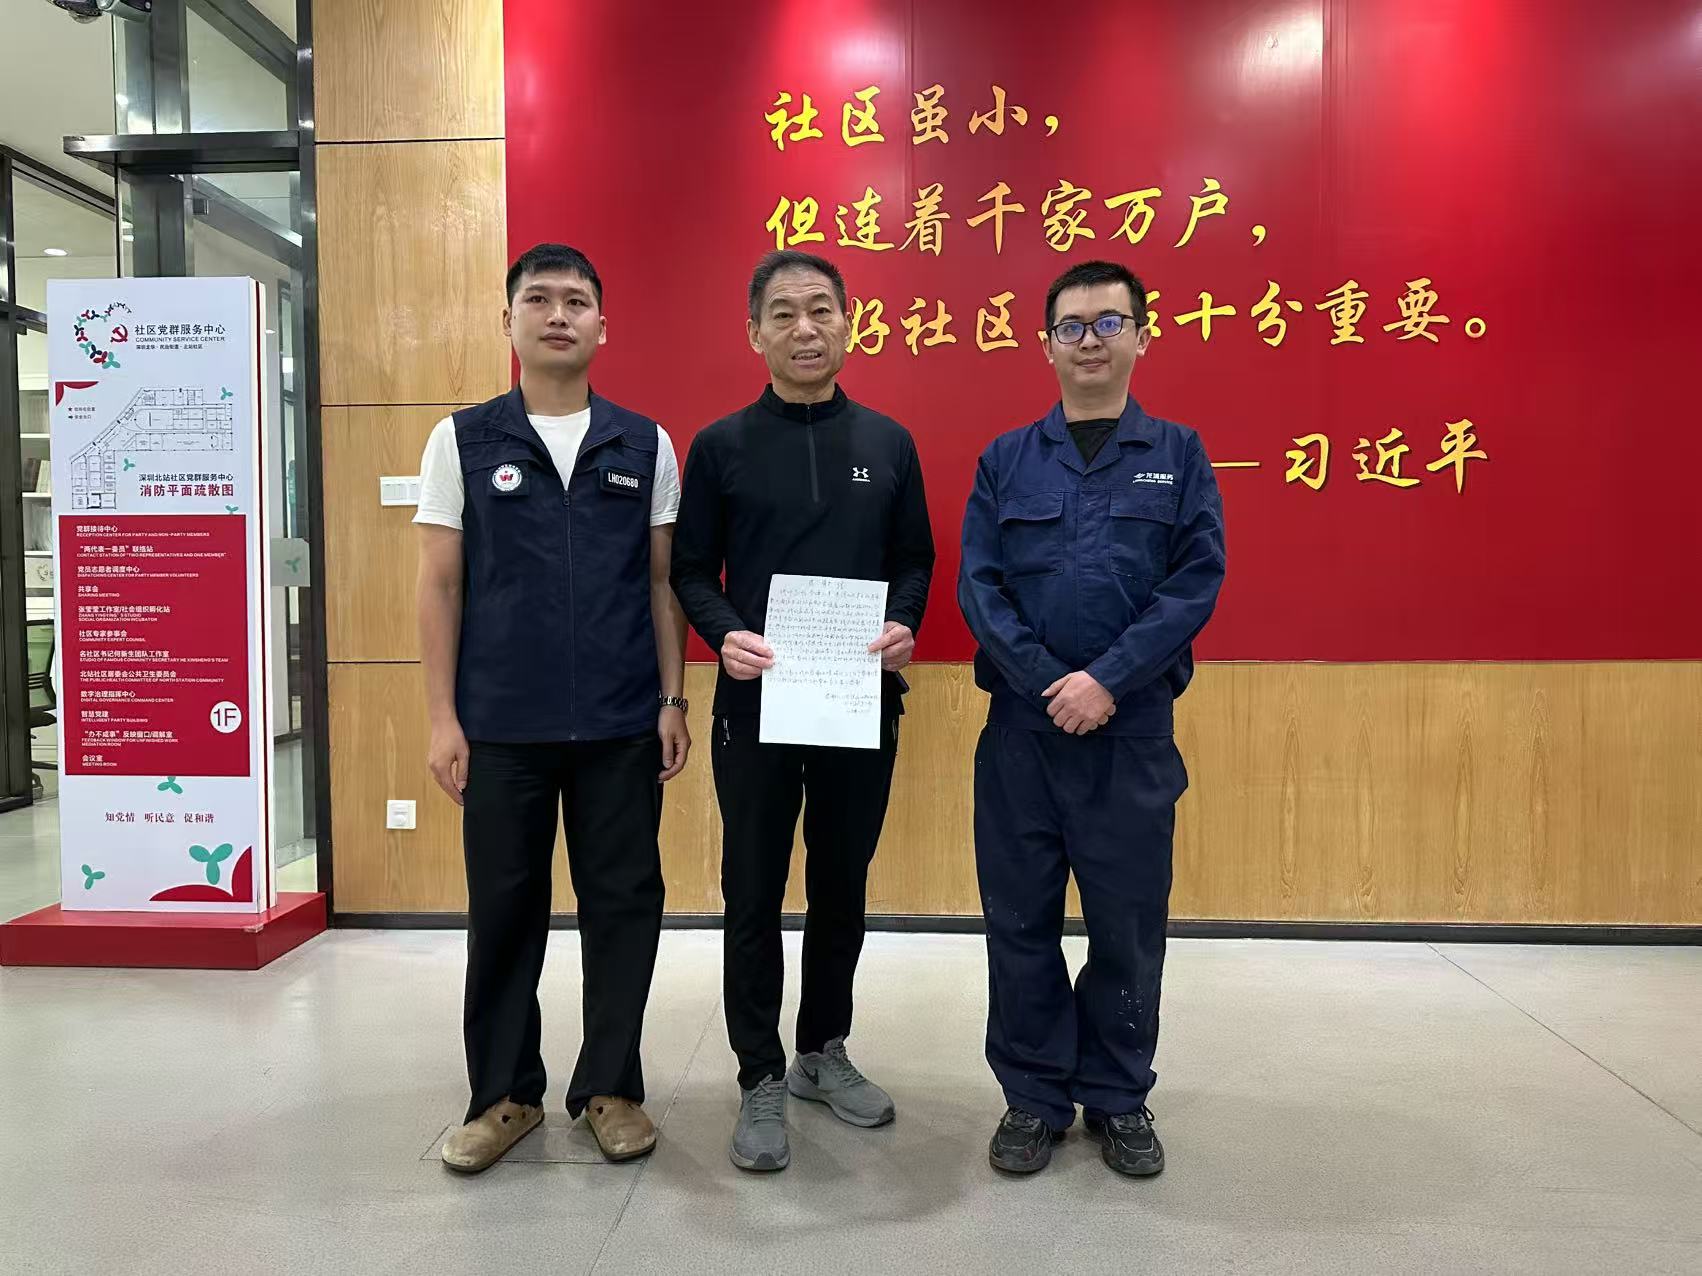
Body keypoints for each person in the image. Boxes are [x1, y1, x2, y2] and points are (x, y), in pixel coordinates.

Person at [414, 243, 691, 1173]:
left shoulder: (644, 443)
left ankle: (610, 1088)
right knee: (503, 914)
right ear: (509, 321)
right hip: (501, 728)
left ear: (604, 326)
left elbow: (661, 584)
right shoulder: (461, 440)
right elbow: (440, 586)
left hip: (620, 724)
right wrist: (442, 718)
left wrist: (672, 698)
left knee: (624, 908)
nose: (559, 314)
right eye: (539, 299)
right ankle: (503, 1096)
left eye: (577, 300)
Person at [958, 259, 1226, 1178]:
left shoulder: (1179, 454)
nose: (1090, 342)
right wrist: (1051, 685)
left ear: (1142, 337)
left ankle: (1116, 1094)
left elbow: (1195, 584)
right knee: (1019, 923)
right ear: (1046, 345)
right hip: (1023, 740)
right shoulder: (1006, 460)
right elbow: (981, 589)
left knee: (1127, 928)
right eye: (1071, 326)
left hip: (1131, 735)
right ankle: (1033, 1096)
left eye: (1110, 323)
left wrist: (1107, 681)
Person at [670, 250, 935, 1172]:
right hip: (756, 702)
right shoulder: (720, 446)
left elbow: (915, 559)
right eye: (783, 313)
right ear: (755, 333)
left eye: (821, 309)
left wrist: (903, 622)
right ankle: (759, 1075)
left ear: (849, 324)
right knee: (751, 888)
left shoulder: (890, 443)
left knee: (841, 885)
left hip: (858, 701)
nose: (805, 328)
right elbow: (691, 570)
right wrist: (724, 634)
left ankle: (823, 1049)